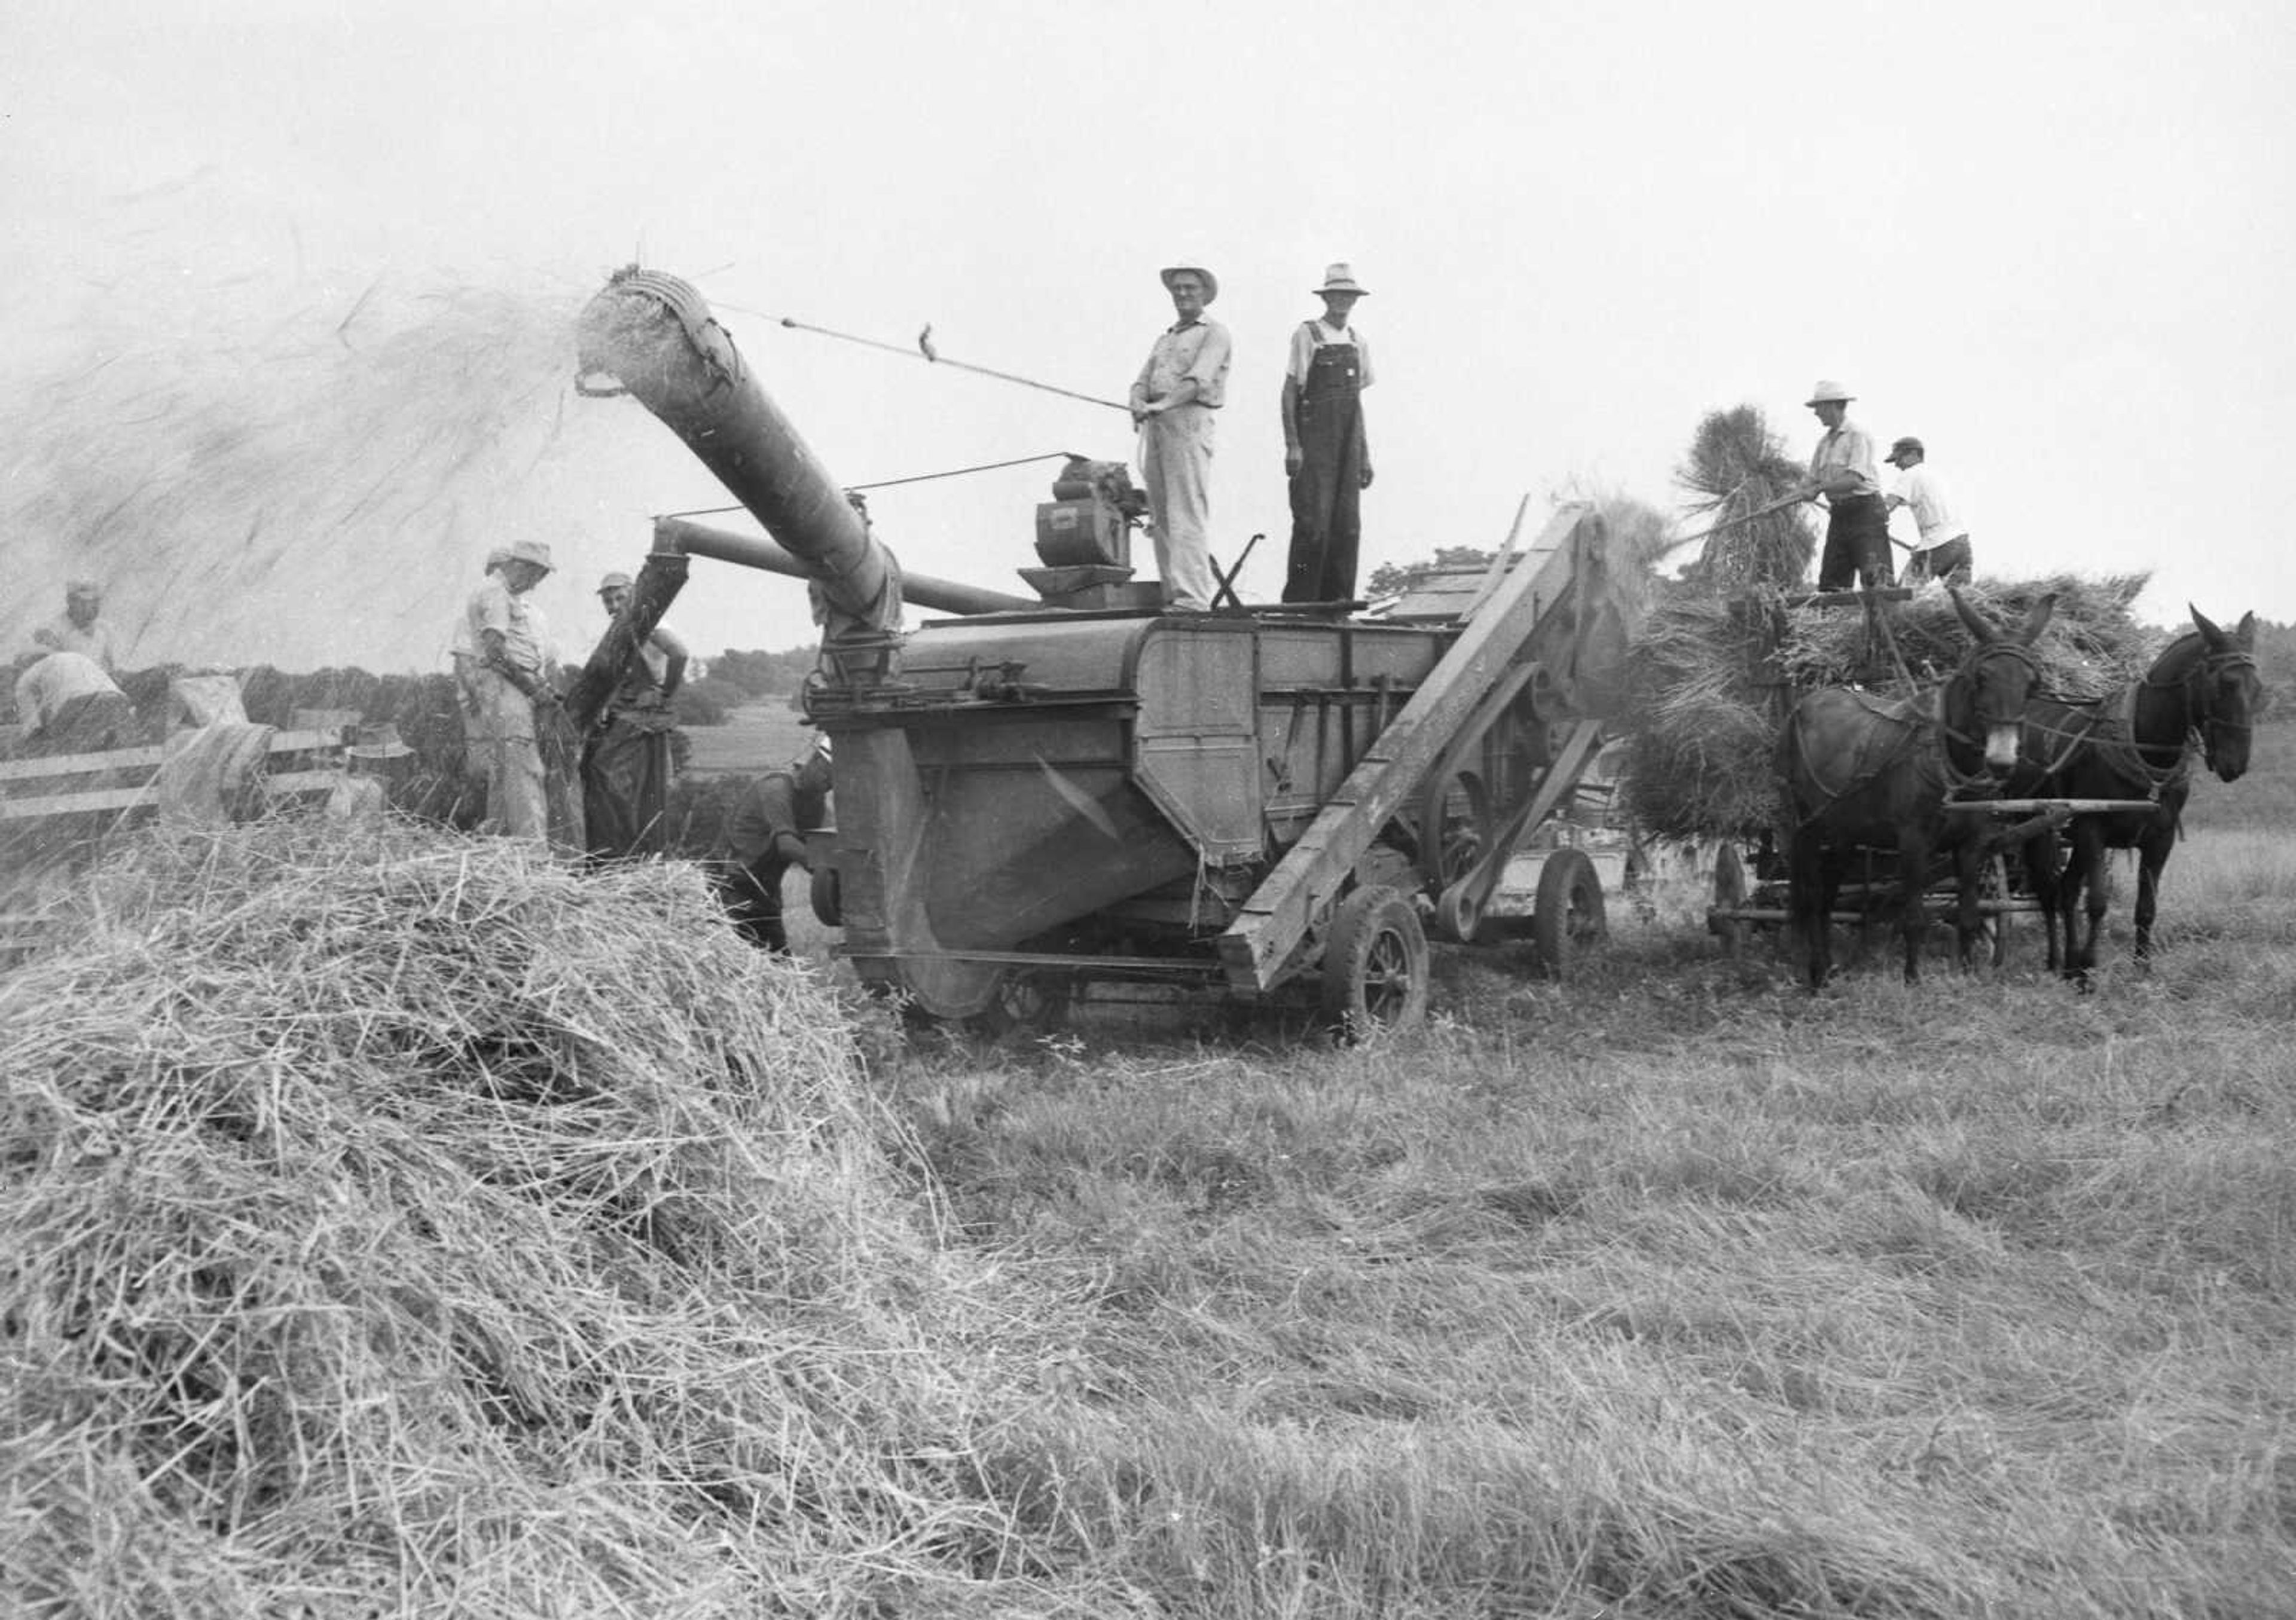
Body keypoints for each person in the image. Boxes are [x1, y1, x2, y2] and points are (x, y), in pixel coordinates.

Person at [1129, 264, 1232, 612]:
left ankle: (1193, 599)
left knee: (1185, 511)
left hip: (1188, 424)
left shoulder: (1216, 333)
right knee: (1159, 515)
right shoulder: (1167, 336)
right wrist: (1138, 400)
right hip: (1158, 426)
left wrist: (1162, 405)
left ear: (1204, 293)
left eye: (1190, 288)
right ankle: (1172, 594)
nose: (1183, 294)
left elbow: (1198, 381)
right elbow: (1143, 379)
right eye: (1177, 289)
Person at [1281, 264, 1376, 603]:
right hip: (1314, 441)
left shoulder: (1357, 341)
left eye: (1348, 296)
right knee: (1313, 524)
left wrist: (1364, 455)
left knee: (1347, 526)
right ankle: (1301, 605)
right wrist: (1293, 444)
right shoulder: (1308, 334)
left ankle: (1339, 604)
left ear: (1355, 300)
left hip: (1348, 442)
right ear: (1327, 297)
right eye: (1336, 295)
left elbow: (1356, 402)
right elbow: (1290, 390)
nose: (1342, 301)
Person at [581, 570, 688, 860]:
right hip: (630, 713)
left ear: (634, 594)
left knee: (605, 773)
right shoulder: (625, 627)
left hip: (642, 716)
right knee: (624, 782)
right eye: (608, 600)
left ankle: (621, 852)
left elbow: (679, 653)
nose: (614, 605)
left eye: (620, 597)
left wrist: (665, 692)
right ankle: (623, 850)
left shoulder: (648, 620)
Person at [457, 539, 556, 840]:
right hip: (508, 689)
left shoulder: (492, 592)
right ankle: (534, 851)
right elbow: (496, 652)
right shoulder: (496, 594)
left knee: (504, 772)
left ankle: (498, 843)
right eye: (536, 577)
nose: (535, 586)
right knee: (525, 769)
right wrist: (533, 689)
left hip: (502, 689)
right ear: (521, 567)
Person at [714, 738, 833, 953]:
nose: (828, 785)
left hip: (766, 895)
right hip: (730, 889)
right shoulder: (777, 789)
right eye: (827, 775)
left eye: (834, 782)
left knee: (780, 967)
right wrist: (831, 872)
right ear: (815, 761)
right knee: (732, 962)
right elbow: (787, 846)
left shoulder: (815, 803)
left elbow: (813, 852)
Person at [1797, 381, 1893, 590]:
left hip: (1866, 513)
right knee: (1831, 584)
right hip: (1839, 515)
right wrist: (1801, 490)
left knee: (1877, 580)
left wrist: (1819, 488)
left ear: (1832, 406)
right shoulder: (1823, 444)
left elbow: (1854, 479)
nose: (1816, 413)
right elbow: (1810, 480)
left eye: (1818, 408)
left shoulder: (1858, 435)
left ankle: (1884, 619)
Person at [1882, 436, 1973, 584]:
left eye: (1899, 458)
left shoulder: (1910, 474)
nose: (1896, 465)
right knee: (1961, 597)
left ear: (1913, 454)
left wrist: (1858, 518)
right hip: (1961, 542)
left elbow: (1885, 508)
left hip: (1937, 543)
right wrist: (1923, 545)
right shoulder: (1936, 475)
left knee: (1905, 594)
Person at [11, 650, 132, 754]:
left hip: (80, 704)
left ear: (23, 666)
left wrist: (30, 740)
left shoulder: (27, 677)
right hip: (117, 700)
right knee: (125, 752)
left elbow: (32, 725)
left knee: (67, 755)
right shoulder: (77, 657)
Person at [32, 579, 120, 673]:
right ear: (70, 601)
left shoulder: (105, 628)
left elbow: (112, 667)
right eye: (82, 603)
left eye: (94, 602)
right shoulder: (50, 630)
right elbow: (51, 671)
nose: (88, 608)